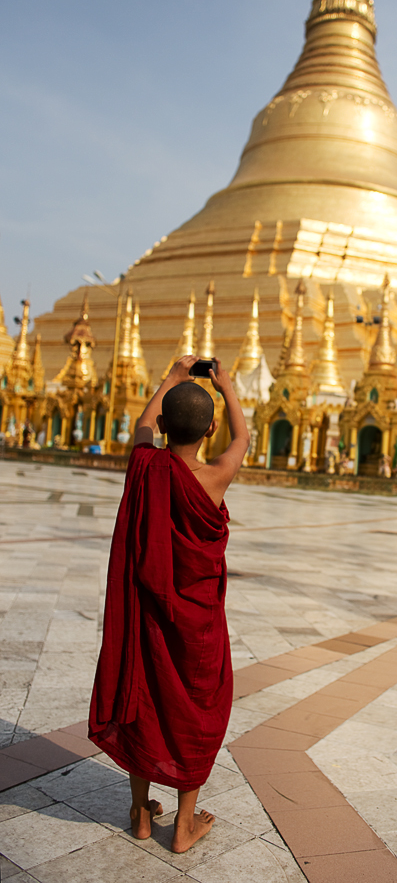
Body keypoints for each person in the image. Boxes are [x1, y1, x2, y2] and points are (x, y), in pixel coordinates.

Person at [89, 355, 250, 853]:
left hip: (147, 617)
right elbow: (243, 440)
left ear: (163, 427)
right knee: (194, 710)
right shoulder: (214, 477)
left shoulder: (145, 464)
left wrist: (173, 377)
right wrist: (225, 385)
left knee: (144, 696)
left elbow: (140, 425)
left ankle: (140, 812)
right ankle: (182, 824)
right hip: (196, 626)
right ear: (211, 429)